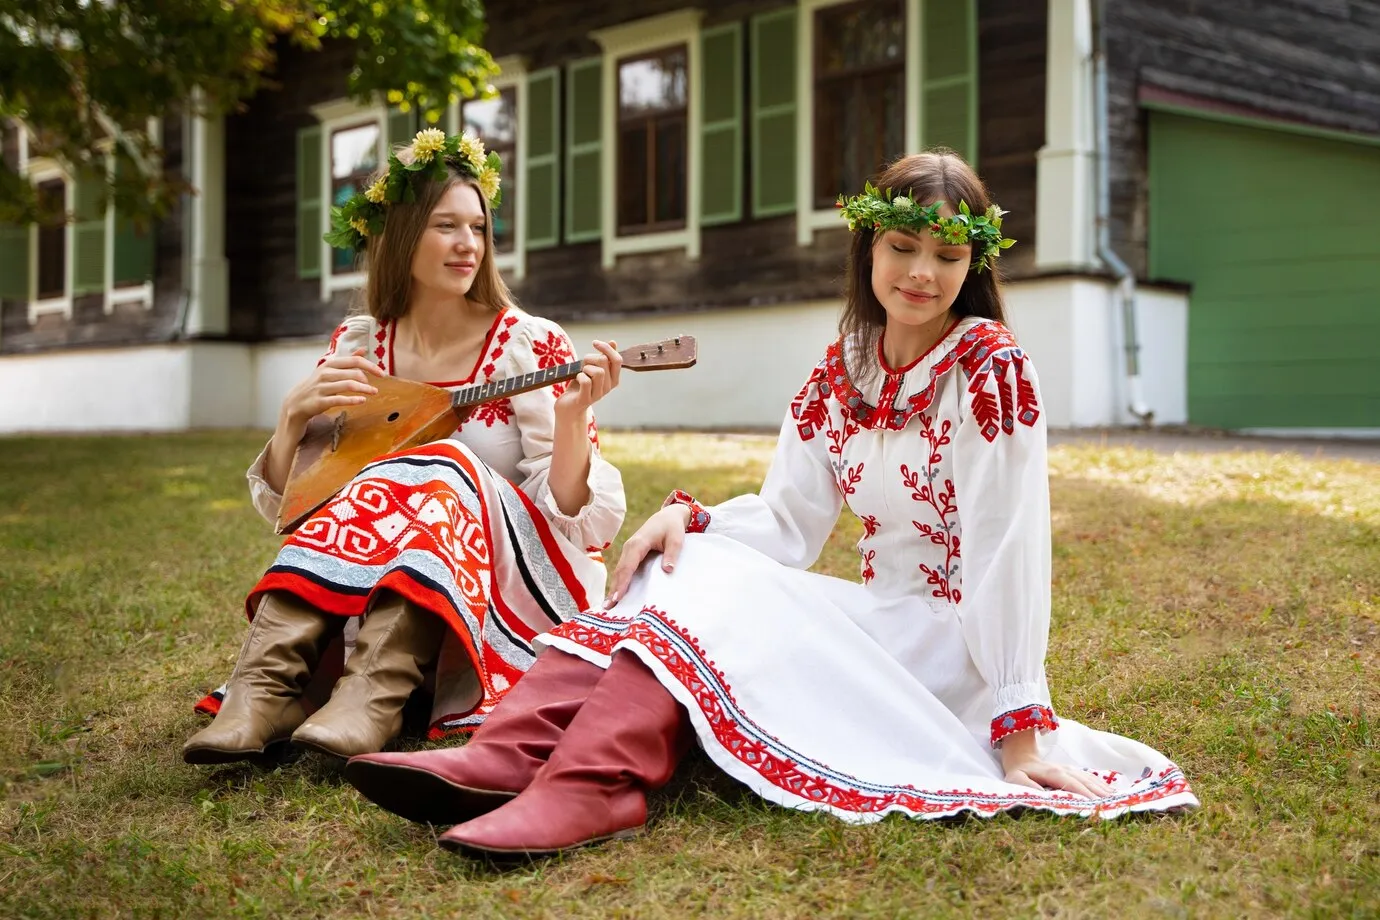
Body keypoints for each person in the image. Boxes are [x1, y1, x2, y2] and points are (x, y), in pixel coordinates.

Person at [342, 150, 1199, 857]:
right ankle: (507, 754)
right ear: (868, 247)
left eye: (947, 255)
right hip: (879, 616)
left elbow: (1011, 549)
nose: (923, 273)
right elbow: (789, 523)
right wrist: (695, 518)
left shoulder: (990, 371)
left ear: (974, 264)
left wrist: (1018, 727)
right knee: (692, 559)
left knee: (712, 592)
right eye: (903, 246)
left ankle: (590, 789)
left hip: (950, 647)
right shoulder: (844, 368)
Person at [183, 128, 626, 764]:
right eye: (446, 225)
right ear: (398, 234)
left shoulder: (530, 342)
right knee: (379, 477)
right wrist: (289, 420)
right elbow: (310, 503)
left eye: (477, 227)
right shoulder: (360, 346)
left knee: (442, 462)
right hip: (383, 586)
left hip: (513, 585)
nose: (468, 244)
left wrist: (571, 421)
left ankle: (373, 698)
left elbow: (577, 524)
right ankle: (262, 693)